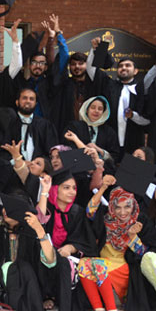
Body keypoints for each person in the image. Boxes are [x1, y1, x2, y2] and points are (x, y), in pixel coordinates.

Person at [79, 178, 151, 311]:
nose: (122, 212)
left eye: (127, 207)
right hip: (102, 263)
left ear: (133, 205)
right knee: (83, 263)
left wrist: (132, 236)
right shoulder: (106, 218)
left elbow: (143, 254)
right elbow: (89, 211)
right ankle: (99, 308)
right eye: (118, 207)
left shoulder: (140, 221)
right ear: (112, 206)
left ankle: (112, 309)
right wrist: (103, 188)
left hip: (123, 267)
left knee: (97, 264)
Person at [0, 192, 57, 311]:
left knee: (23, 267)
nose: (5, 211)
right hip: (1, 287)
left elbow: (50, 261)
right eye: (4, 207)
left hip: (28, 287)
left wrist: (40, 231)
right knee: (13, 268)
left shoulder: (32, 233)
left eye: (10, 208)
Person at [37, 169, 97, 310]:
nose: (72, 192)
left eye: (74, 188)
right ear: (55, 189)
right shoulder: (48, 208)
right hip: (45, 257)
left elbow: (87, 241)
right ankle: (47, 296)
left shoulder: (77, 211)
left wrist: (72, 247)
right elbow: (40, 220)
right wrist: (45, 190)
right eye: (66, 188)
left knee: (64, 263)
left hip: (68, 260)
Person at [90, 51, 149, 158]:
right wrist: (99, 48)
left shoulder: (141, 90)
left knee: (131, 172)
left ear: (135, 71)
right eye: (120, 66)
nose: (124, 68)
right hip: (110, 141)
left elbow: (147, 119)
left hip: (133, 141)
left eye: (128, 65)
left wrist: (132, 116)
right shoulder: (109, 85)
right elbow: (94, 71)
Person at [2, 88, 59, 161]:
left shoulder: (45, 125)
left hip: (39, 170)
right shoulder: (8, 124)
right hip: (13, 168)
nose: (28, 101)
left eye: (31, 99)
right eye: (24, 98)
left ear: (36, 104)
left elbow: (52, 151)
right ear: (17, 102)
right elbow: (2, 152)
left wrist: (40, 164)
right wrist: (18, 162)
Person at [63, 96, 119, 162]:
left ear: (103, 112)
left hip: (102, 168)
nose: (96, 111)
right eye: (93, 107)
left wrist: (98, 149)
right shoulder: (74, 126)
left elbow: (114, 157)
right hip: (77, 166)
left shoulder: (109, 132)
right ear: (87, 110)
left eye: (100, 109)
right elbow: (67, 149)